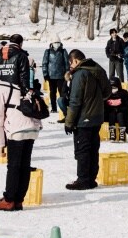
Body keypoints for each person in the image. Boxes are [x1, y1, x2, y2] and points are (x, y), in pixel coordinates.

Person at [0, 60, 44, 211]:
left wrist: (0, 144)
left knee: (13, 166)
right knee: (24, 165)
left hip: (17, 129)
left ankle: (9, 199)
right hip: (31, 127)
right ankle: (19, 200)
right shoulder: (14, 85)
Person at [63, 49, 107, 190]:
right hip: (97, 116)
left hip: (84, 118)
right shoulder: (97, 69)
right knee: (93, 148)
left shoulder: (80, 74)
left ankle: (83, 180)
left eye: (71, 63)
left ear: (76, 61)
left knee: (83, 150)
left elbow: (75, 101)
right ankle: (91, 179)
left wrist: (69, 122)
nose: (71, 66)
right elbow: (106, 92)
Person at [41, 39, 69, 111]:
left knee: (62, 92)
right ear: (52, 43)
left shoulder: (63, 51)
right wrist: (45, 74)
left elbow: (67, 63)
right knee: (52, 92)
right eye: (55, 42)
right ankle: (54, 108)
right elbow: (44, 63)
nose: (56, 44)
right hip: (51, 76)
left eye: (58, 42)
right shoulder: (48, 52)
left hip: (61, 76)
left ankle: (63, 108)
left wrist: (67, 73)